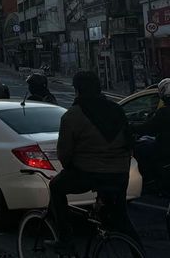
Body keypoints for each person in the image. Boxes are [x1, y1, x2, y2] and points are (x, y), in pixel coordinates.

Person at [46, 71, 140, 254]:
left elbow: (64, 154)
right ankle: (138, 252)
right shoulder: (116, 109)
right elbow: (129, 140)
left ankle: (65, 239)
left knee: (56, 187)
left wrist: (71, 167)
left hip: (88, 173)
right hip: (120, 172)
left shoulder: (73, 116)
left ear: (77, 90)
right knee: (121, 217)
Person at [133, 78, 170, 188]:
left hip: (165, 150)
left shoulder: (164, 112)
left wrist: (131, 128)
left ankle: (149, 182)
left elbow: (149, 128)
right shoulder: (163, 111)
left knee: (141, 148)